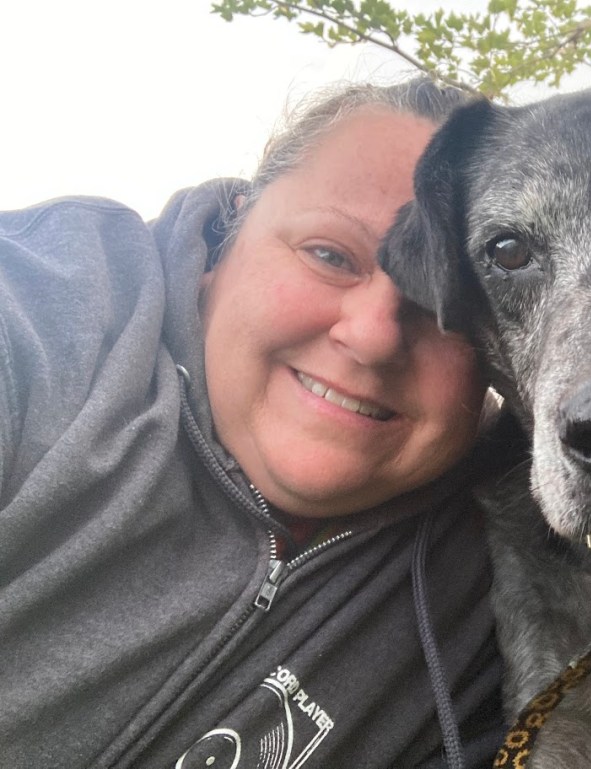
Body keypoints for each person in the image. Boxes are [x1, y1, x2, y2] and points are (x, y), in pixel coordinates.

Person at [0, 78, 507, 768]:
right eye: (330, 255)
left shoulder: (511, 572)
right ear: (229, 238)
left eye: (448, 301)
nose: (373, 335)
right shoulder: (58, 309)